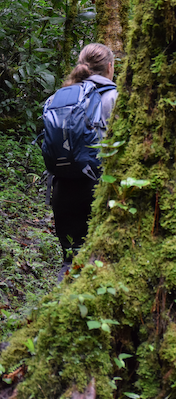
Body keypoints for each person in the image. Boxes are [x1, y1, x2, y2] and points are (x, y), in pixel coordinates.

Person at [50, 43, 118, 281]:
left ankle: (58, 309)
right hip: (98, 187)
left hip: (62, 187)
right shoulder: (113, 97)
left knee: (70, 259)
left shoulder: (59, 96)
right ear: (110, 67)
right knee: (98, 262)